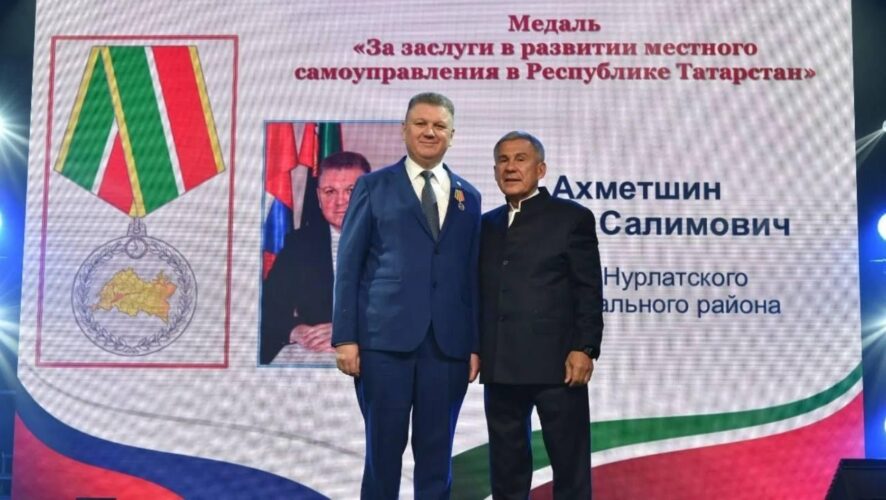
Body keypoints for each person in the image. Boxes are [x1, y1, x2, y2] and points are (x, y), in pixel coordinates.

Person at [332, 92, 481, 499]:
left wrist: (474, 344)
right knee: (383, 454)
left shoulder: (469, 197)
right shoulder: (372, 186)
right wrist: (345, 337)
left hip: (447, 349)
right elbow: (349, 266)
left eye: (439, 126)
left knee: (437, 457)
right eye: (421, 123)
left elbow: (471, 277)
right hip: (383, 345)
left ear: (452, 135)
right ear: (404, 130)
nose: (430, 132)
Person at [479, 131, 603, 499]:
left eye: (520, 159)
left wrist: (585, 348)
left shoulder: (571, 218)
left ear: (541, 169)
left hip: (558, 366)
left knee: (569, 468)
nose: (510, 167)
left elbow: (588, 290)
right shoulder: (486, 225)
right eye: (503, 160)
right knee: (506, 470)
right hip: (500, 365)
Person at [260, 151, 370, 365]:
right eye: (330, 192)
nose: (341, 202)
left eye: (351, 191)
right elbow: (266, 306)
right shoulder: (300, 245)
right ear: (319, 198)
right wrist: (295, 330)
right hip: (318, 357)